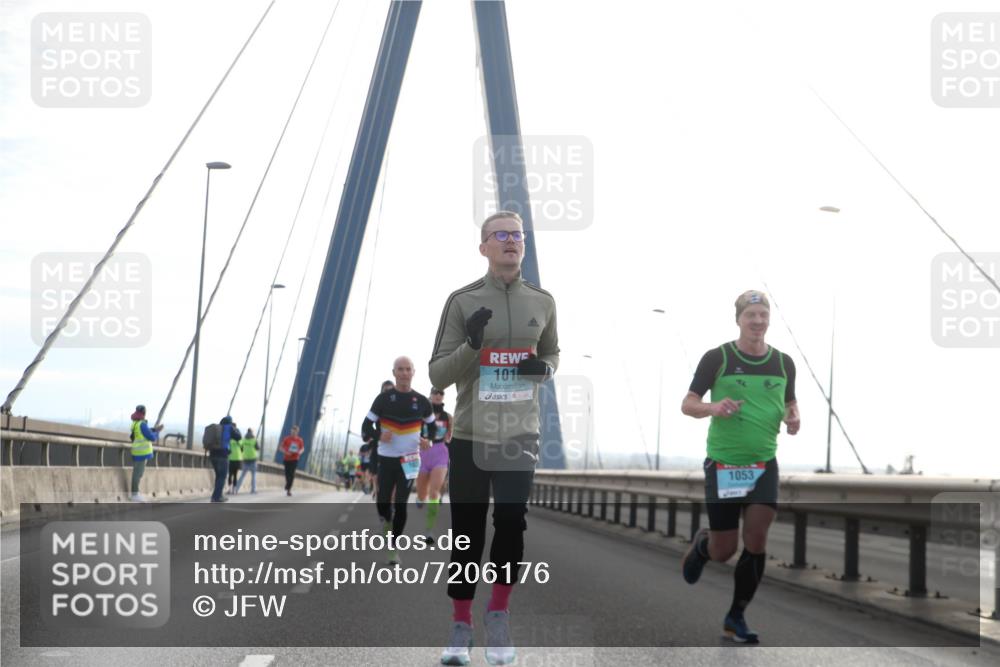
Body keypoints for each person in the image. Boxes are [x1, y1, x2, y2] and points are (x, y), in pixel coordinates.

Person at [429, 211, 559, 666]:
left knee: (510, 522)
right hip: (469, 434)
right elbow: (437, 373)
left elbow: (552, 355)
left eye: (517, 235)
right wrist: (472, 345)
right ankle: (461, 625)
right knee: (467, 533)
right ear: (483, 247)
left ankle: (498, 615)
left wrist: (543, 370)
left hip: (520, 434)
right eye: (501, 235)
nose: (511, 241)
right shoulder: (461, 302)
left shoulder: (542, 301)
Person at [680, 290, 800, 644]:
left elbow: (791, 402)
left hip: (764, 464)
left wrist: (794, 417)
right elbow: (688, 404)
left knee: (757, 538)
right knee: (724, 550)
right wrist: (713, 408)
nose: (758, 321)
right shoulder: (717, 358)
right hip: (724, 465)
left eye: (763, 315)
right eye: (751, 315)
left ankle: (736, 617)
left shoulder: (783, 363)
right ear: (739, 320)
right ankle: (704, 546)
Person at [361, 357, 435, 565]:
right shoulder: (383, 399)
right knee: (383, 501)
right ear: (394, 373)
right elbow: (366, 427)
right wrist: (378, 436)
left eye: (407, 369)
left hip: (411, 459)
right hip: (386, 458)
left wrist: (428, 439)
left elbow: (433, 428)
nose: (404, 373)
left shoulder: (422, 401)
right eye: (400, 369)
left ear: (413, 372)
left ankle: (393, 547)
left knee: (401, 503)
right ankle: (386, 522)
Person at [415, 387, 452, 538]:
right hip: (422, 452)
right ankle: (420, 497)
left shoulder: (448, 417)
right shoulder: (421, 414)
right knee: (422, 494)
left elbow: (449, 437)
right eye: (435, 392)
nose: (438, 395)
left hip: (440, 453)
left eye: (441, 393)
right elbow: (412, 432)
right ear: (430, 395)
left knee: (434, 492)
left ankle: (429, 531)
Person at [129, 404, 162, 502]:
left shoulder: (135, 423)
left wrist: (153, 430)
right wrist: (157, 432)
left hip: (136, 451)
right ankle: (135, 494)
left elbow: (143, 433)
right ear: (144, 413)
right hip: (141, 453)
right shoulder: (142, 424)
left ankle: (135, 493)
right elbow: (151, 437)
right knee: (138, 474)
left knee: (137, 473)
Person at [210, 416, 241, 503]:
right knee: (222, 477)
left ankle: (218, 495)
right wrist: (235, 428)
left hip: (212, 455)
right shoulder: (229, 428)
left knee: (218, 476)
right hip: (222, 455)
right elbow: (239, 437)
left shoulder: (216, 428)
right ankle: (216, 497)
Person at [279, 425, 304, 496]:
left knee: (292, 474)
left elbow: (302, 448)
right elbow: (280, 447)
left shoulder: (300, 440)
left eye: (295, 432)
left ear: (297, 432)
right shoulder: (286, 439)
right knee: (287, 474)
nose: (293, 433)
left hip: (295, 459)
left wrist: (300, 452)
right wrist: (286, 452)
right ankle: (288, 485)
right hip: (287, 459)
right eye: (292, 431)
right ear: (291, 431)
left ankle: (288, 489)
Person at [234, 428, 258, 494]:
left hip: (245, 460)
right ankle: (253, 490)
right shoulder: (254, 440)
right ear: (252, 432)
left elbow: (240, 446)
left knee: (242, 476)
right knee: (253, 476)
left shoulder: (243, 440)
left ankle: (236, 489)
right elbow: (258, 448)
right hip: (253, 460)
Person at [227, 427, 243, 494]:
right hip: (238, 459)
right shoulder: (240, 441)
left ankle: (229, 489)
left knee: (230, 474)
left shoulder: (230, 440)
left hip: (231, 459)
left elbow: (228, 449)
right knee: (236, 475)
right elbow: (242, 449)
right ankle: (234, 490)